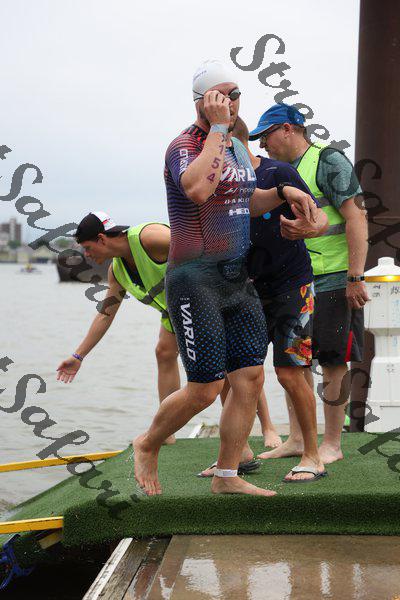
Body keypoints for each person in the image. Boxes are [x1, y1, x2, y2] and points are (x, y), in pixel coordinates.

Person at [133, 59, 321, 496]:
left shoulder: (235, 147)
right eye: (223, 95)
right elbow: (198, 189)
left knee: (250, 378)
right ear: (202, 101)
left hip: (238, 280)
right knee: (205, 388)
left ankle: (227, 475)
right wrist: (218, 128)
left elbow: (245, 200)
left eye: (237, 94)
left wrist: (284, 192)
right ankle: (148, 442)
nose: (233, 102)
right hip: (195, 280)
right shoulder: (184, 145)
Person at [199, 116, 329, 482]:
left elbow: (318, 218)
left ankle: (312, 455)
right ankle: (238, 455)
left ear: (235, 145)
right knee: (236, 373)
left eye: (219, 149)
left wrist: (306, 228)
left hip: (291, 286)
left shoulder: (278, 173)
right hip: (244, 289)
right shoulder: (219, 183)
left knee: (290, 372)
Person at [249, 103, 368, 464]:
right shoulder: (277, 173)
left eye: (266, 136)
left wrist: (355, 277)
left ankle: (332, 443)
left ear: (288, 129)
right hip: (295, 281)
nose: (263, 145)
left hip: (334, 278)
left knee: (333, 359)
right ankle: (298, 438)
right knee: (294, 362)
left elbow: (356, 217)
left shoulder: (328, 161)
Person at [56, 212, 178, 444]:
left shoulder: (150, 237)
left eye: (88, 248)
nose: (87, 255)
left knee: (226, 369)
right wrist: (78, 356)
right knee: (164, 353)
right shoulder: (117, 271)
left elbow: (201, 245)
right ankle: (167, 431)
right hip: (174, 313)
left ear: (102, 239)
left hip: (209, 300)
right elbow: (105, 315)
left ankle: (252, 434)